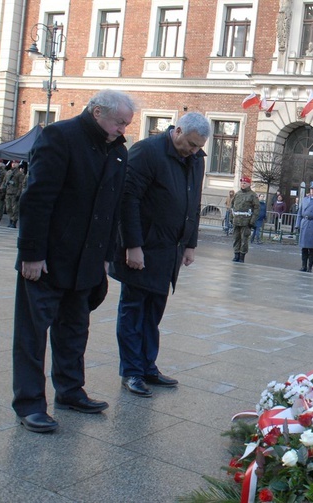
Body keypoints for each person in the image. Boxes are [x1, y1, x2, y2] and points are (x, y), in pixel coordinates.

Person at [12, 89, 136, 433]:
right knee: (32, 336)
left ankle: (70, 390)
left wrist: (107, 258)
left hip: (87, 262)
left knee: (74, 331)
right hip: (48, 260)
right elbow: (36, 199)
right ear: (98, 112)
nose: (123, 129)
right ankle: (30, 404)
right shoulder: (60, 136)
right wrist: (32, 254)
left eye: (127, 123)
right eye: (119, 122)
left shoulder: (118, 151)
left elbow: (112, 210)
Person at [109, 112, 210, 398]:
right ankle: (131, 371)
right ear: (177, 131)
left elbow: (194, 200)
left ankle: (147, 366)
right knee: (134, 310)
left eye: (198, 147)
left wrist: (190, 242)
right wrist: (132, 245)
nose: (193, 151)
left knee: (154, 311)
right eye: (190, 144)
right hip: (143, 247)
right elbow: (128, 200)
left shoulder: (196, 158)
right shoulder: (147, 151)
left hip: (170, 249)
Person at [231, 177, 260, 262]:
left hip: (246, 221)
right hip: (236, 220)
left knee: (244, 239)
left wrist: (252, 221)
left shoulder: (252, 195)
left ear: (249, 184)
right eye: (242, 183)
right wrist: (231, 217)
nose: (243, 184)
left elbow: (256, 209)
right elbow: (232, 206)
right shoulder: (237, 194)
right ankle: (236, 254)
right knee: (236, 238)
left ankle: (241, 256)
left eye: (245, 183)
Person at [4, 160, 25, 228]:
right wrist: (3, 191)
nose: (13, 164)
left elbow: (21, 184)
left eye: (15, 163)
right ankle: (10, 220)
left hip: (15, 193)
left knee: (14, 208)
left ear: (18, 164)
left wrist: (19, 194)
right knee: (8, 208)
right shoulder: (8, 172)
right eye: (13, 163)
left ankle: (14, 222)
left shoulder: (20, 173)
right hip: (8, 192)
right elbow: (5, 182)